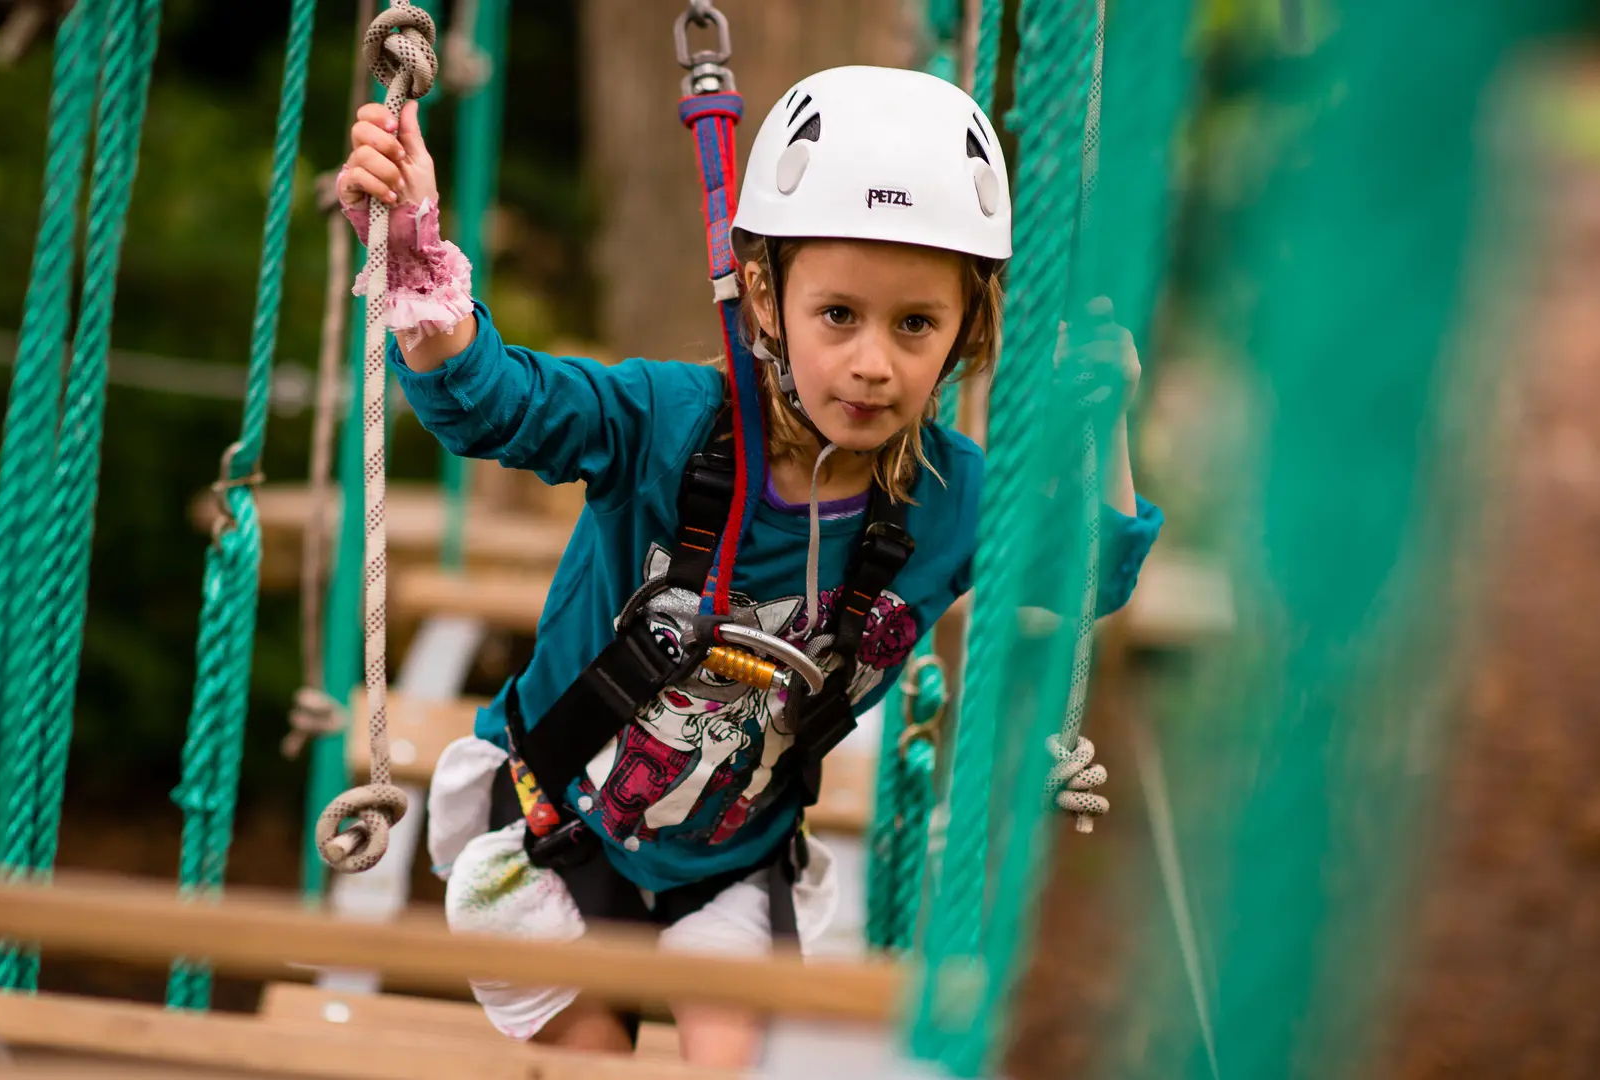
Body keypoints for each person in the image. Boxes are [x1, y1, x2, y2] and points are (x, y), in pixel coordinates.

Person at [337, 65, 1162, 1068]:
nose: (873, 364)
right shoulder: (668, 425)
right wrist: (418, 256)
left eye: (915, 326)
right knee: (586, 1056)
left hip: (732, 861)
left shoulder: (950, 498)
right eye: (840, 316)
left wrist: (1104, 423)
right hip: (562, 825)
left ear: (963, 334)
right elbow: (494, 403)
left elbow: (1096, 574)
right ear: (767, 298)